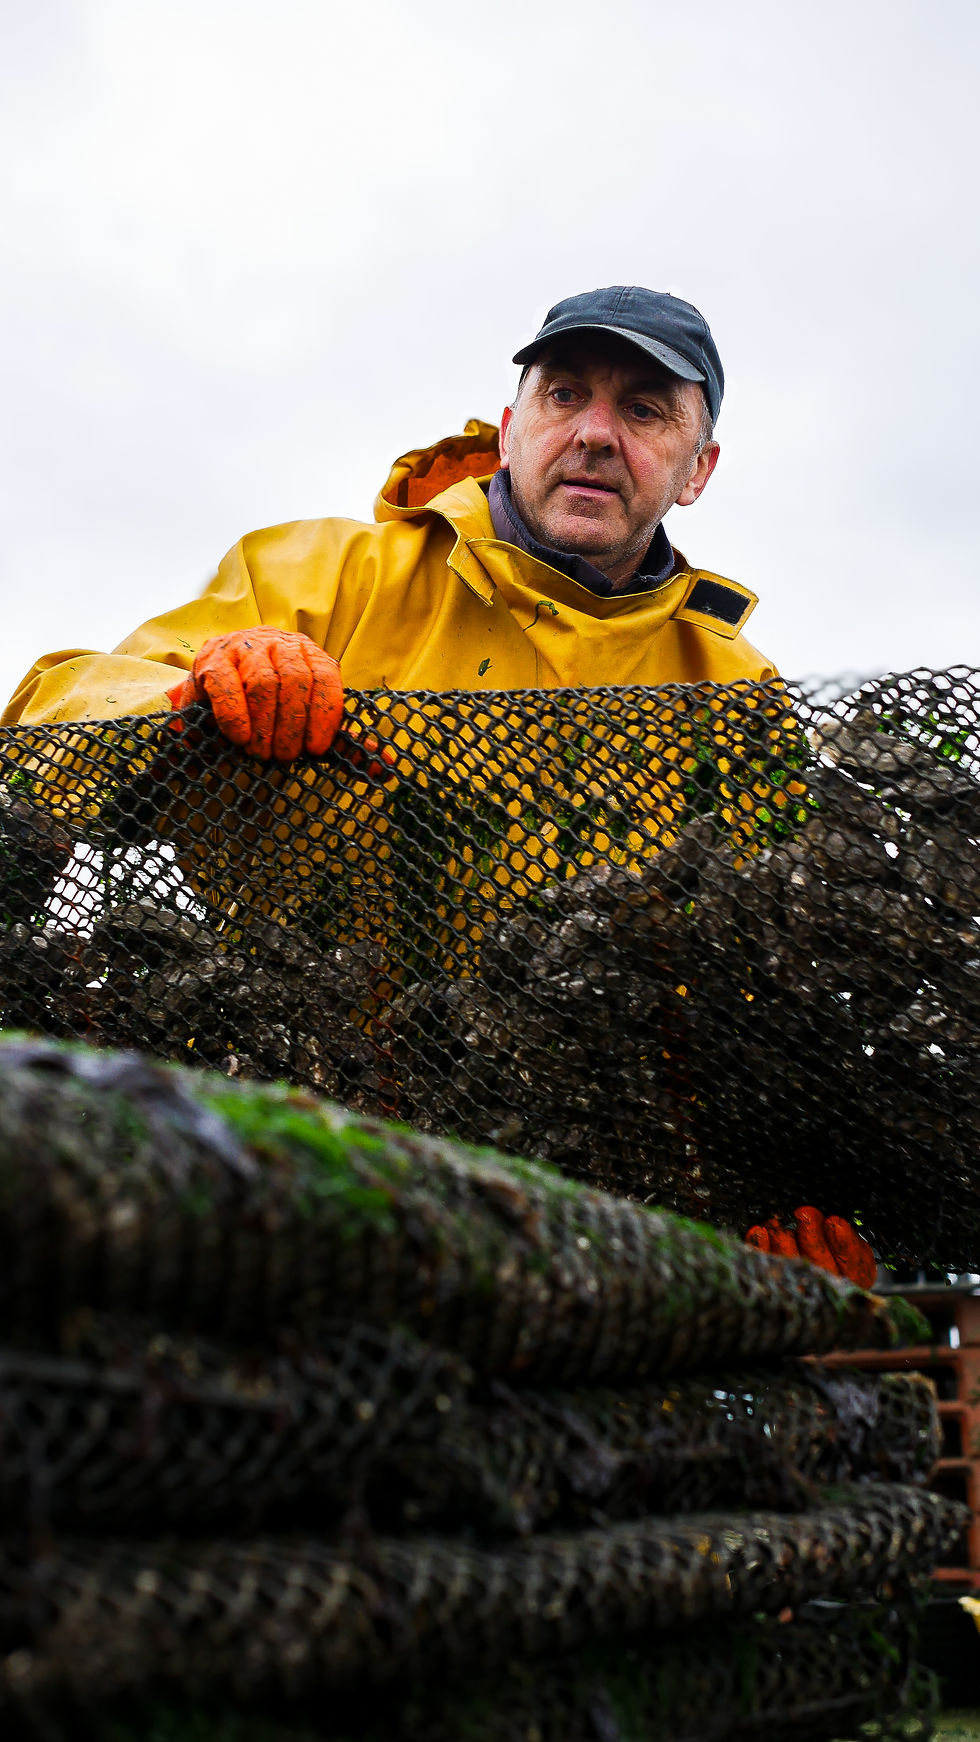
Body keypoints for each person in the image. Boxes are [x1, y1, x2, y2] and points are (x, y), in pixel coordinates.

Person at [4, 286, 776, 757]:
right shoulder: (324, 575)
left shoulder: (738, 688)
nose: (596, 434)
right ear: (508, 432)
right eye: (565, 395)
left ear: (698, 472)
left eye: (644, 410)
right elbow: (50, 710)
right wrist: (190, 700)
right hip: (300, 1023)